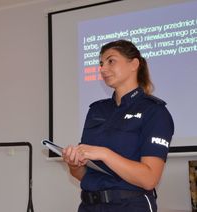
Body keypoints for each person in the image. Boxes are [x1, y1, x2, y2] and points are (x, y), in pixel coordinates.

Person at [62, 40, 174, 212]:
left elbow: (149, 179)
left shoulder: (154, 111)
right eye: (101, 64)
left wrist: (104, 154)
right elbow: (84, 175)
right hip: (89, 205)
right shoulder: (96, 110)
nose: (103, 69)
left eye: (111, 61)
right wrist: (74, 164)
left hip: (130, 206)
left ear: (134, 64)